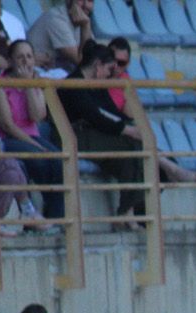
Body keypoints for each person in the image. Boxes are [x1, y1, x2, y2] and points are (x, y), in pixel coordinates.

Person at [62, 42, 146, 228]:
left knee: (132, 154)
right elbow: (95, 115)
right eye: (109, 68)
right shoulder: (74, 83)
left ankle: (128, 211)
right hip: (74, 136)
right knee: (131, 144)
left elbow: (110, 111)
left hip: (92, 135)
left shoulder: (96, 85)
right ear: (98, 65)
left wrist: (128, 125)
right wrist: (127, 130)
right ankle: (126, 211)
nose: (110, 74)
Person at [0, 39, 63, 228]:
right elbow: (7, 125)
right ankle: (32, 216)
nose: (25, 61)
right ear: (10, 61)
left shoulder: (35, 82)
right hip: (5, 139)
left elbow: (38, 115)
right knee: (37, 157)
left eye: (29, 57)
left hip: (31, 136)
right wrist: (35, 145)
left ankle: (56, 217)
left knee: (60, 161)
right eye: (20, 57)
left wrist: (28, 85)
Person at [26, 0, 91, 74]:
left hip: (54, 73)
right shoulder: (57, 18)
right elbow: (85, 63)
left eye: (90, 1)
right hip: (35, 73)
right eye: (81, 0)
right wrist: (86, 25)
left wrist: (85, 24)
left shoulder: (81, 20)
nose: (86, 5)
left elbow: (93, 56)